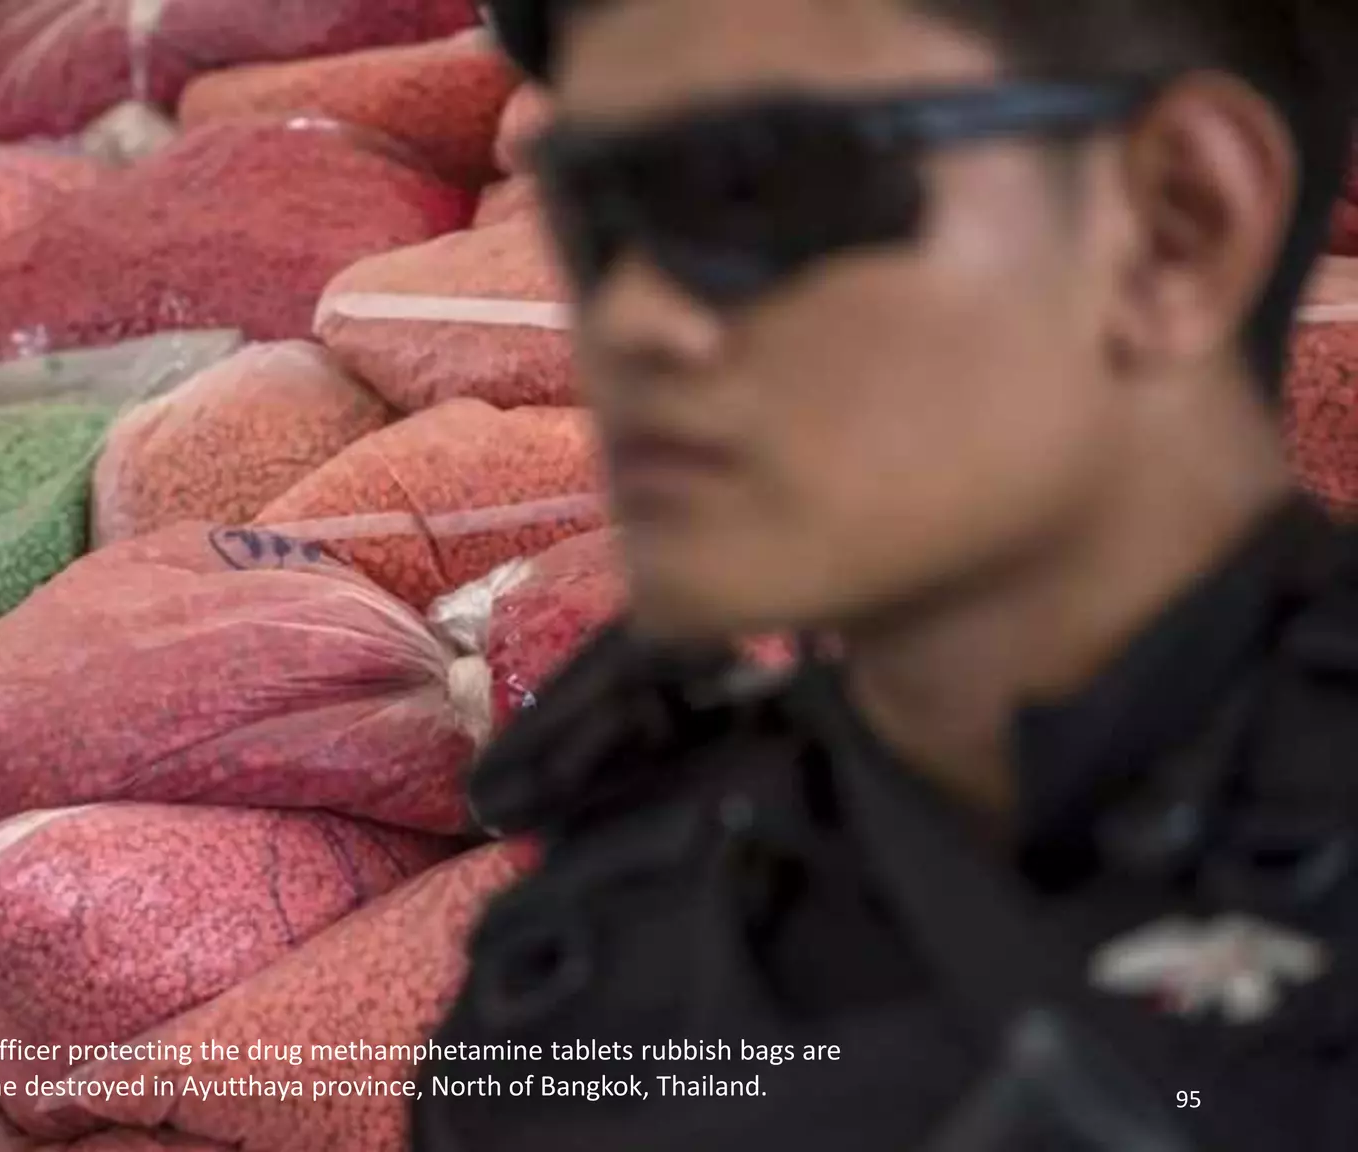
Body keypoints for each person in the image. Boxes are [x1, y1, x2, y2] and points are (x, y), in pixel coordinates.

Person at [411, 1, 1358, 1149]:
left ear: (1176, 223)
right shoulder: (582, 990)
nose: (632, 319)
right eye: (595, 213)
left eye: (751, 188)